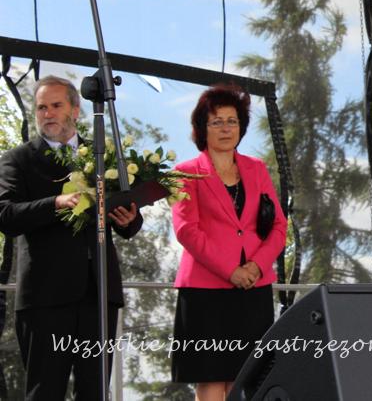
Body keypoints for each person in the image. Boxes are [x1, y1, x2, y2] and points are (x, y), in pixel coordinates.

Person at [0, 75, 142, 400]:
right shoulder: (18, 159)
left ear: (76, 110)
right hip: (45, 298)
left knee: (95, 392)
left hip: (98, 294)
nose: (47, 113)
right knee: (44, 392)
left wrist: (130, 219)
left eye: (55, 105)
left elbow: (130, 220)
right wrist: (55, 203)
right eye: (41, 108)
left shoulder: (102, 156)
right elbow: (5, 215)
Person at [171, 84, 286, 400]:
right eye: (217, 122)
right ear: (202, 128)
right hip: (204, 293)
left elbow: (279, 226)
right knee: (210, 381)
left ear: (241, 127)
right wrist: (230, 271)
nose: (225, 128)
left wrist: (256, 267)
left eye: (232, 121)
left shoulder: (257, 169)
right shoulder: (184, 173)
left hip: (252, 289)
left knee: (246, 380)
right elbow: (186, 231)